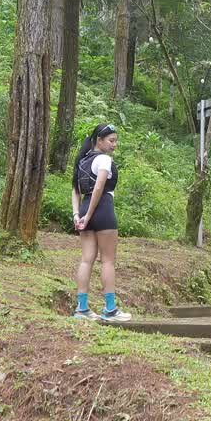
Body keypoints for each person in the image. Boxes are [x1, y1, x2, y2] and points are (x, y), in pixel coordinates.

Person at [71, 123, 131, 322]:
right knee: (108, 260)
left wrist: (77, 214)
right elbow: (99, 188)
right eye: (111, 140)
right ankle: (110, 309)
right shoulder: (104, 159)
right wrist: (89, 215)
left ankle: (82, 308)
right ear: (99, 140)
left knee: (86, 259)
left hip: (84, 209)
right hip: (102, 209)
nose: (114, 144)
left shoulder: (82, 160)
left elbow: (76, 190)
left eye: (116, 141)